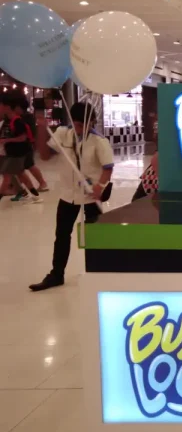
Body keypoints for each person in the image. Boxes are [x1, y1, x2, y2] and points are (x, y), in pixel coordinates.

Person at [29, 102, 114, 291]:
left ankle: (98, 273)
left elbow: (108, 168)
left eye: (84, 123)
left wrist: (99, 187)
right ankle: (56, 274)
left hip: (91, 196)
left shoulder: (99, 141)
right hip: (68, 194)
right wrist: (42, 129)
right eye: (76, 123)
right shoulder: (62, 133)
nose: (79, 128)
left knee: (95, 236)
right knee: (61, 234)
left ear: (92, 121)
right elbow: (44, 156)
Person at [0, 95, 42, 203]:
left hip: (16, 154)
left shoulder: (17, 121)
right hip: (12, 153)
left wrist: (6, 141)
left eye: (1, 105)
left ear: (8, 107)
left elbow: (23, 138)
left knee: (7, 177)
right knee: (21, 175)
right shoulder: (8, 120)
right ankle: (36, 196)